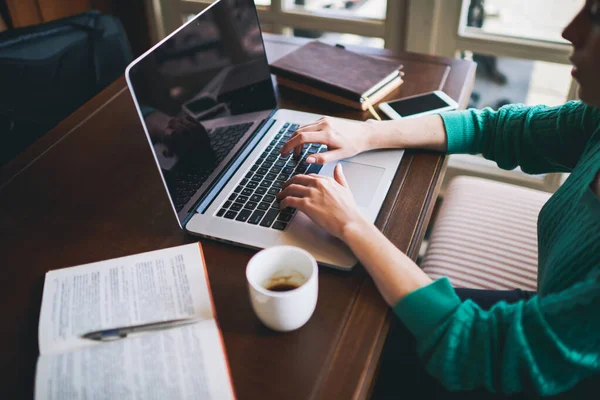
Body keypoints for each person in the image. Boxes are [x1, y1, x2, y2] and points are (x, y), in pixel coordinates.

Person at [278, 1, 600, 398]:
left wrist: (353, 224)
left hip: (548, 374)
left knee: (334, 346)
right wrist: (364, 134)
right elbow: (497, 128)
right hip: (551, 316)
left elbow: (475, 348)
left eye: (597, 14)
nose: (570, 30)